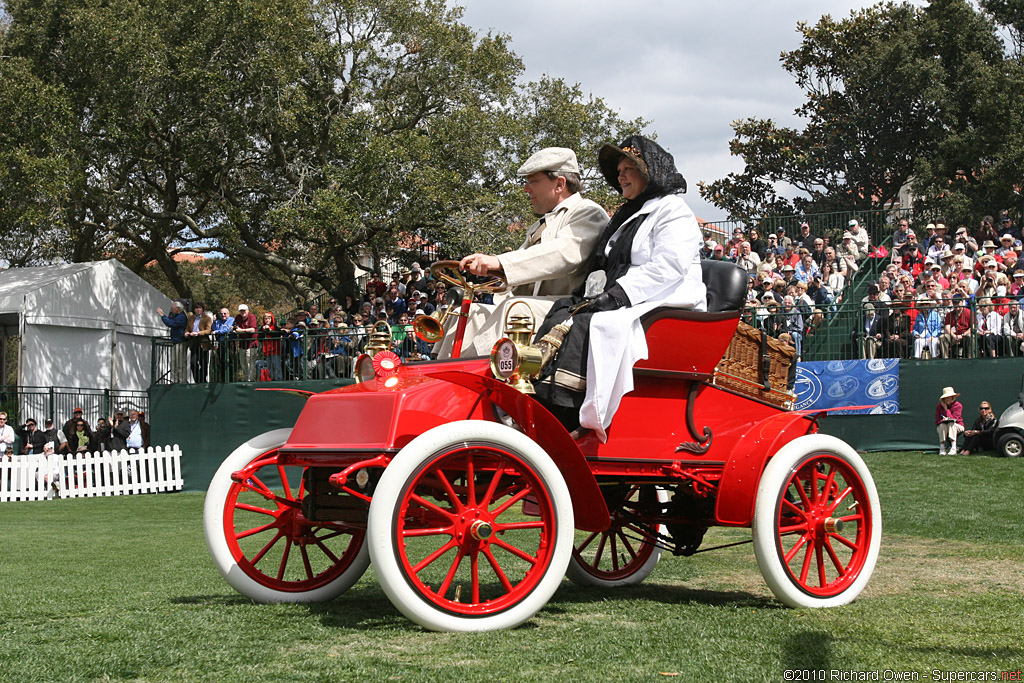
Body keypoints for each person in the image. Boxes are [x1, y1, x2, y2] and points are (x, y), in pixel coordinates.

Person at [531, 136, 706, 440]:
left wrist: (617, 296)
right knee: (562, 309)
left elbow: (668, 267)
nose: (621, 176)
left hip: (665, 300)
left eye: (629, 168)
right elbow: (605, 265)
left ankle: (568, 409)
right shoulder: (626, 216)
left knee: (591, 323)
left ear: (649, 172)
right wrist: (592, 292)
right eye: (619, 170)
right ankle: (539, 393)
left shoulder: (673, 210)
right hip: (629, 297)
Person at [451, 147, 609, 357]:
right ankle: (442, 373)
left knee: (515, 310)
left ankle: (482, 380)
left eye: (532, 181)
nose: (526, 189)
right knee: (469, 313)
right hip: (539, 307)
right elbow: (520, 271)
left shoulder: (587, 212)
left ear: (559, 184)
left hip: (568, 308)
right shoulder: (540, 225)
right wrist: (491, 273)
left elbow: (563, 254)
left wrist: (499, 262)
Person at [157, 301, 188, 383]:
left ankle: (181, 380)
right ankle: (174, 380)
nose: (172, 310)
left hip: (180, 342)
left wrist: (163, 316)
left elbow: (171, 323)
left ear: (178, 309)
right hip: (175, 342)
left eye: (173, 308)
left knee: (180, 363)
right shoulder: (177, 316)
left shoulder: (182, 317)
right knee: (174, 362)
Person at [185, 302, 214, 383]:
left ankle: (203, 380)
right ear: (194, 309)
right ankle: (198, 380)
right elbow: (187, 328)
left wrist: (198, 333)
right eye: (196, 308)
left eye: (200, 308)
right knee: (193, 363)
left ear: (202, 309)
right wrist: (186, 332)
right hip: (193, 342)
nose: (198, 310)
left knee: (204, 363)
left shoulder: (207, 318)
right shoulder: (191, 318)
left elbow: (208, 330)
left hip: (203, 342)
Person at [233, 304, 259, 381]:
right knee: (242, 362)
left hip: (251, 343)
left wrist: (241, 330)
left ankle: (250, 380)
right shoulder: (238, 317)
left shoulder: (251, 317)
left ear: (247, 310)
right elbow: (235, 326)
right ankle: (246, 378)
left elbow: (253, 329)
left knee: (250, 362)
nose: (242, 312)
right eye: (241, 311)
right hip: (242, 344)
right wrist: (233, 329)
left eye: (244, 310)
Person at [935, 386, 964, 455]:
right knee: (942, 425)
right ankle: (942, 448)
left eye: (949, 397)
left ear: (953, 397)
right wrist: (943, 420)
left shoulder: (958, 405)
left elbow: (954, 419)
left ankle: (953, 447)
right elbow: (937, 421)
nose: (948, 399)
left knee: (951, 424)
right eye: (946, 398)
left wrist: (946, 409)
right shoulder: (939, 406)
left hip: (957, 425)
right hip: (943, 426)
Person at [210, 307, 235, 382]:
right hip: (220, 343)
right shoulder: (218, 321)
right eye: (221, 314)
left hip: (229, 343)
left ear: (228, 314)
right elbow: (213, 329)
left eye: (225, 313)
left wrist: (217, 332)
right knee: (221, 362)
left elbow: (227, 330)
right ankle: (223, 379)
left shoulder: (232, 320)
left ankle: (230, 379)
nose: (223, 315)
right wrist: (214, 321)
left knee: (229, 362)